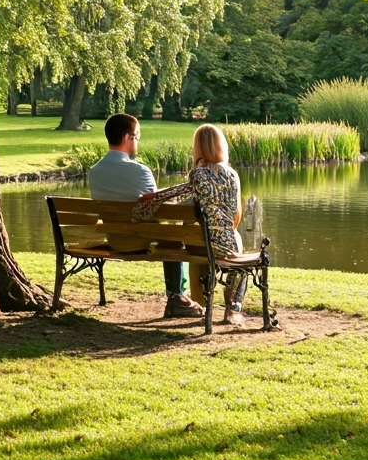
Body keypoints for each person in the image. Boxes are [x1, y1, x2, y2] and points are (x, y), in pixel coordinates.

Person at [86, 113, 203, 319]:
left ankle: (178, 297)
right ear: (127, 138)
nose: (138, 142)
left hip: (114, 238)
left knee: (166, 231)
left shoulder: (94, 172)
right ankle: (176, 296)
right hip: (142, 240)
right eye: (137, 137)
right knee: (171, 234)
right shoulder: (141, 171)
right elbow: (161, 207)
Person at [134, 123, 250, 326]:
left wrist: (152, 198)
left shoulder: (198, 174)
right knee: (236, 251)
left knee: (198, 247)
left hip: (203, 243)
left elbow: (180, 192)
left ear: (198, 148)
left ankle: (202, 303)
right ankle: (233, 304)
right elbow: (234, 217)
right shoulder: (232, 175)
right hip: (228, 245)